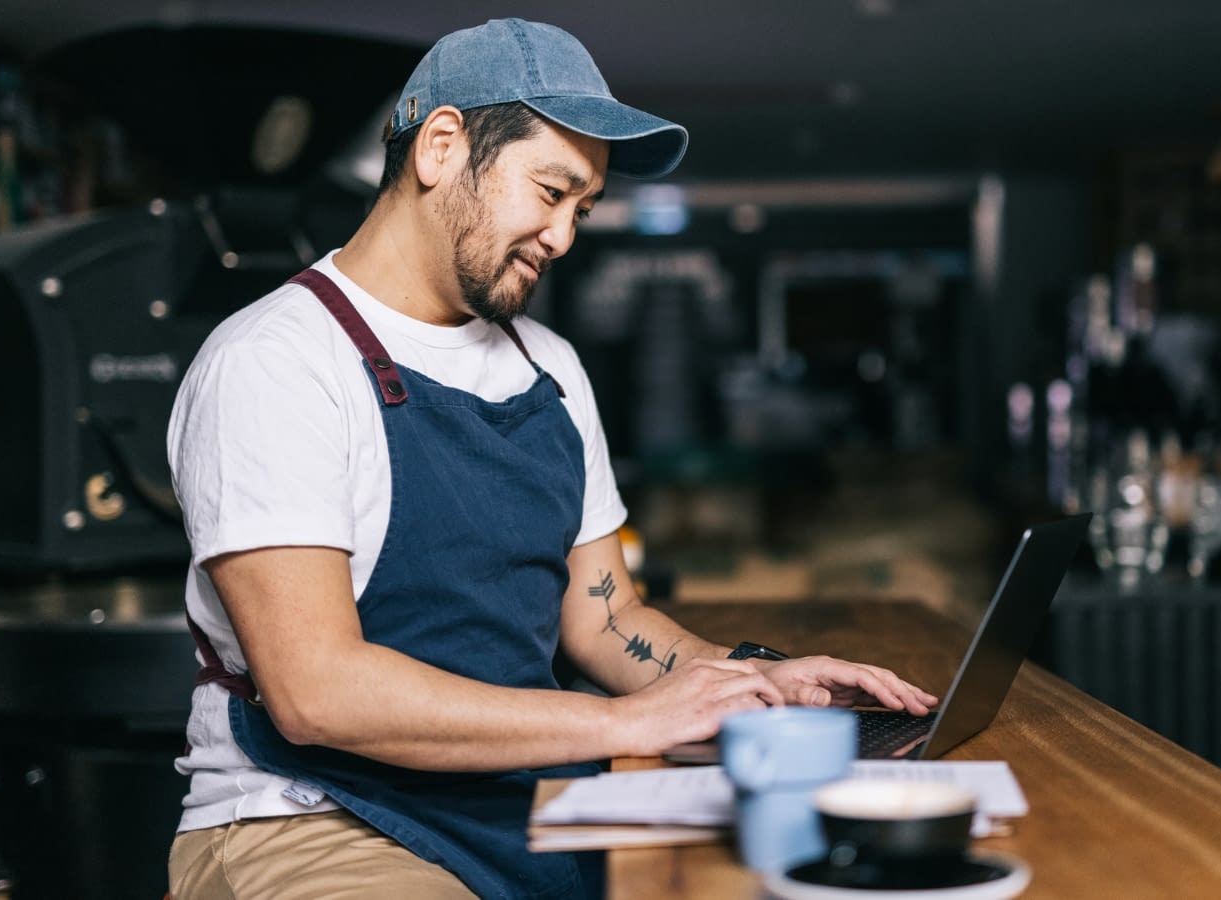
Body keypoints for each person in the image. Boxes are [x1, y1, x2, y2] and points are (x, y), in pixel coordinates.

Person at [165, 18, 936, 900]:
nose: (565, 236)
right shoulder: (277, 360)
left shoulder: (548, 366)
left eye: (584, 208)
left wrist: (745, 678)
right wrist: (630, 719)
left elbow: (602, 622)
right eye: (551, 190)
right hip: (315, 822)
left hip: (522, 804)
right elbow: (318, 693)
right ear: (443, 147)